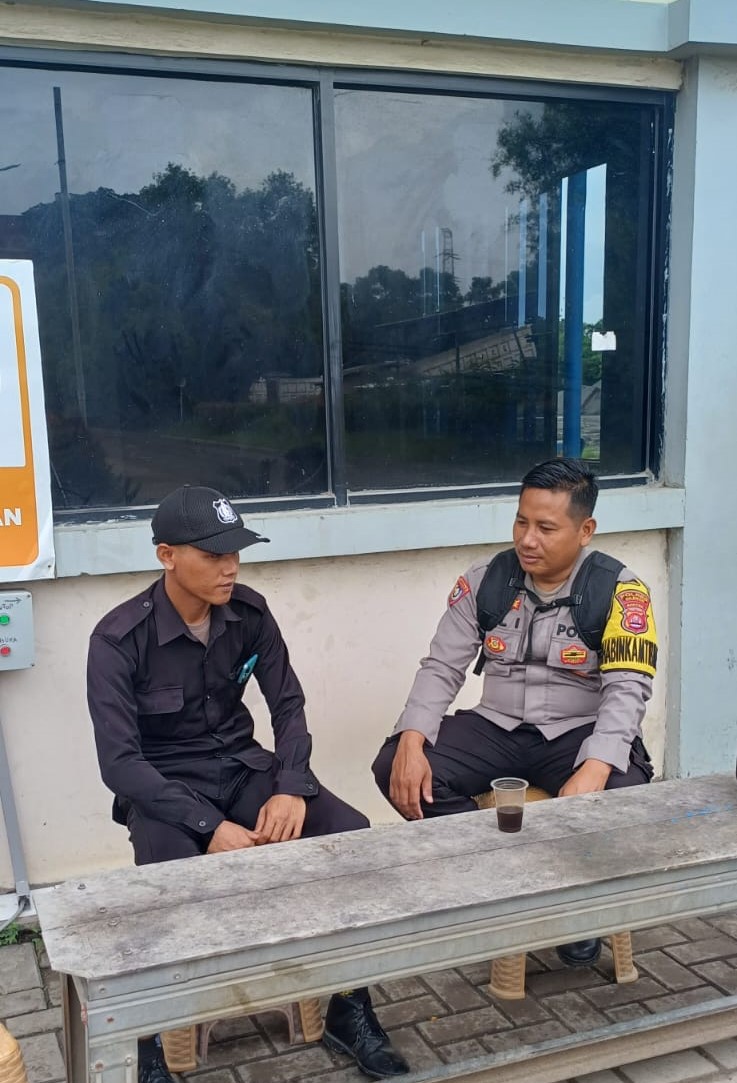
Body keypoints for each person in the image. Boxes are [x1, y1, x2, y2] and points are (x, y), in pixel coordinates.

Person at [87, 485, 409, 1083]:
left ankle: (350, 1007)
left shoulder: (250, 613)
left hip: (242, 770)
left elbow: (288, 706)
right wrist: (208, 827)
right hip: (166, 790)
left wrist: (290, 785)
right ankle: (148, 1041)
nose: (230, 567)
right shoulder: (118, 639)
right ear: (167, 556)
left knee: (350, 835)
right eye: (213, 555)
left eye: (235, 552)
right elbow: (121, 764)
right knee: (164, 882)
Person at [372, 458, 657, 967]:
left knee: (621, 793)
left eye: (546, 528)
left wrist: (596, 767)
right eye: (521, 522)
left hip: (575, 733)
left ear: (585, 530)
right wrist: (412, 738)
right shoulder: (486, 580)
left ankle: (577, 911)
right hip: (497, 726)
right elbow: (442, 667)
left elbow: (627, 689)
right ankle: (495, 880)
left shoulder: (620, 590)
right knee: (396, 765)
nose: (528, 539)